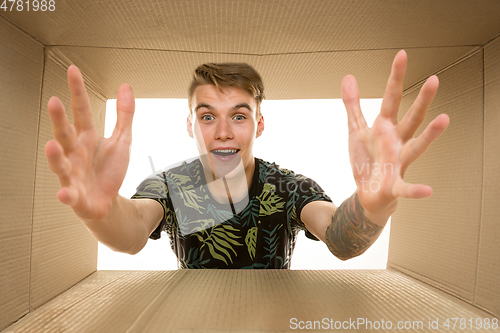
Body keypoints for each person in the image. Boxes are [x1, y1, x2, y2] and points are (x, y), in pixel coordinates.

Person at [44, 50, 449, 269]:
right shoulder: (170, 186)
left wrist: (374, 205)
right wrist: (99, 212)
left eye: (238, 116)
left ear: (259, 123)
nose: (222, 132)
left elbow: (340, 240)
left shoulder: (289, 186)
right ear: (191, 125)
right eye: (208, 117)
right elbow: (132, 230)